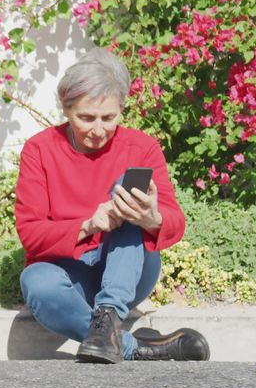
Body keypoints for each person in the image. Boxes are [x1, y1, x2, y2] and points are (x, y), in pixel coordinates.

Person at [14, 50, 210, 363]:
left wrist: (152, 218)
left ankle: (109, 313)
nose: (98, 129)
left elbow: (175, 222)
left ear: (121, 109)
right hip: (68, 276)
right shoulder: (39, 149)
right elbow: (31, 234)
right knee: (36, 284)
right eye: (86, 118)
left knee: (129, 190)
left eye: (109, 118)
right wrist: (89, 224)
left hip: (128, 270)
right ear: (66, 109)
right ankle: (135, 345)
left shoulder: (142, 147)